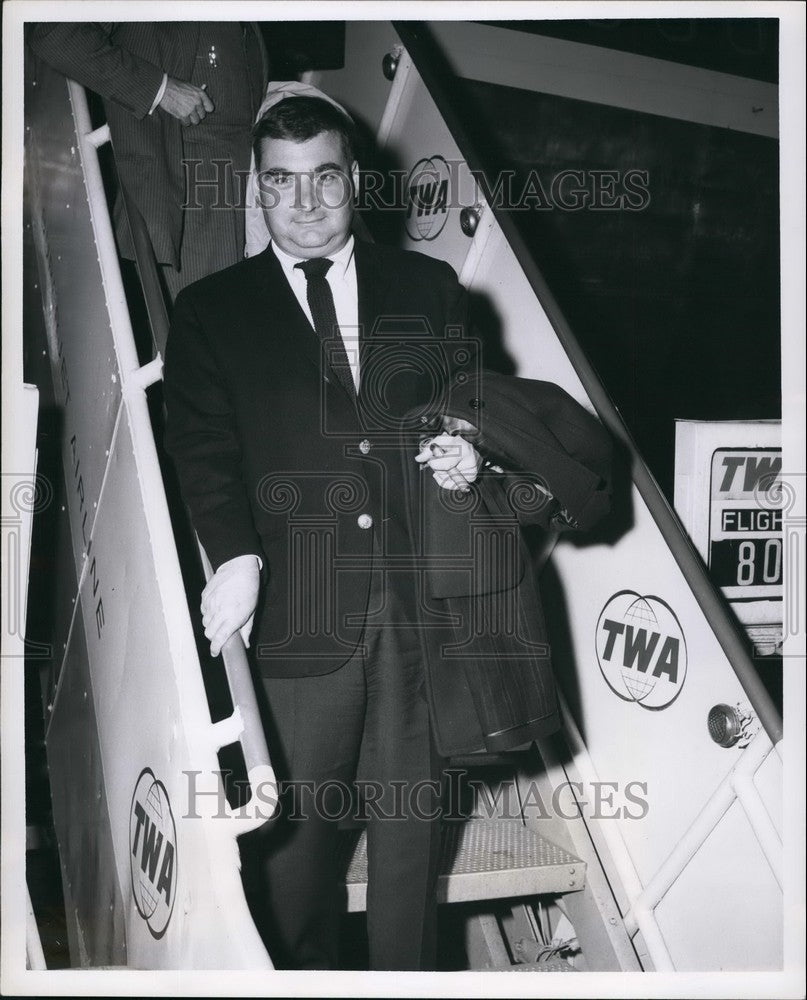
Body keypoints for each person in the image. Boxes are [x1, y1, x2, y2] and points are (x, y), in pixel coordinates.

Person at [163, 92, 612, 970]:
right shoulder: (210, 310)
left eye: (324, 177)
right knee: (293, 860)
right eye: (281, 182)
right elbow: (202, 449)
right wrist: (237, 554)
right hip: (296, 620)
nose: (304, 202)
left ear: (356, 181)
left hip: (419, 614)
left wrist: (469, 453)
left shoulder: (427, 287)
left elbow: (466, 406)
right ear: (257, 188)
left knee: (410, 853)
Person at [27, 22, 269, 298]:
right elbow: (54, 33)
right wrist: (160, 89)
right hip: (187, 184)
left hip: (246, 181)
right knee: (206, 315)